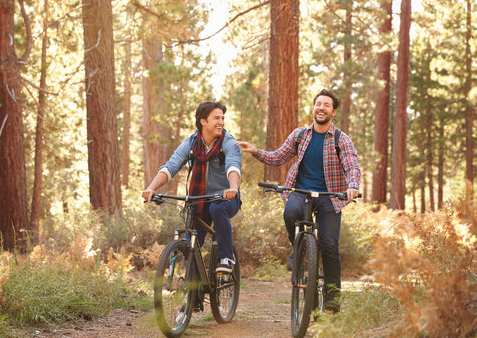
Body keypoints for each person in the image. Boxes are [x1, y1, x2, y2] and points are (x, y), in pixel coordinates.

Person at [235, 89, 360, 313]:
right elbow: (277, 157)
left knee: (330, 245)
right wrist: (255, 151)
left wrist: (352, 186)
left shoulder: (341, 139)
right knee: (291, 212)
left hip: (330, 197)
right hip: (300, 191)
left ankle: (332, 299)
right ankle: (298, 249)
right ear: (314, 108)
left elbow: (352, 165)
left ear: (333, 111)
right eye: (318, 104)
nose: (321, 108)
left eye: (326, 105)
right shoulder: (300, 135)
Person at [142, 101, 242, 274]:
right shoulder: (190, 143)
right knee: (190, 246)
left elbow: (233, 167)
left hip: (225, 198)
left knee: (217, 209)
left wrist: (232, 188)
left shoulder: (228, 143)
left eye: (222, 118)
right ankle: (194, 293)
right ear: (203, 121)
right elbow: (170, 167)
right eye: (216, 118)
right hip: (199, 200)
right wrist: (151, 188)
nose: (221, 122)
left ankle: (225, 257)